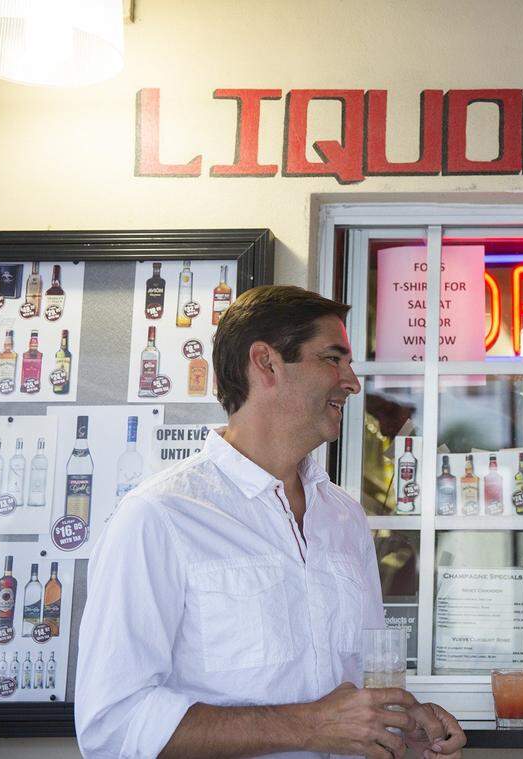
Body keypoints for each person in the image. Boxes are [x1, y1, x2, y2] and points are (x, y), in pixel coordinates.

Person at [76, 286, 466, 759]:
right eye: (332, 359)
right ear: (266, 363)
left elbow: (357, 699)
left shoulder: (343, 518)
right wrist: (307, 726)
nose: (352, 382)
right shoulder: (159, 516)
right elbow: (113, 725)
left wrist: (405, 727)